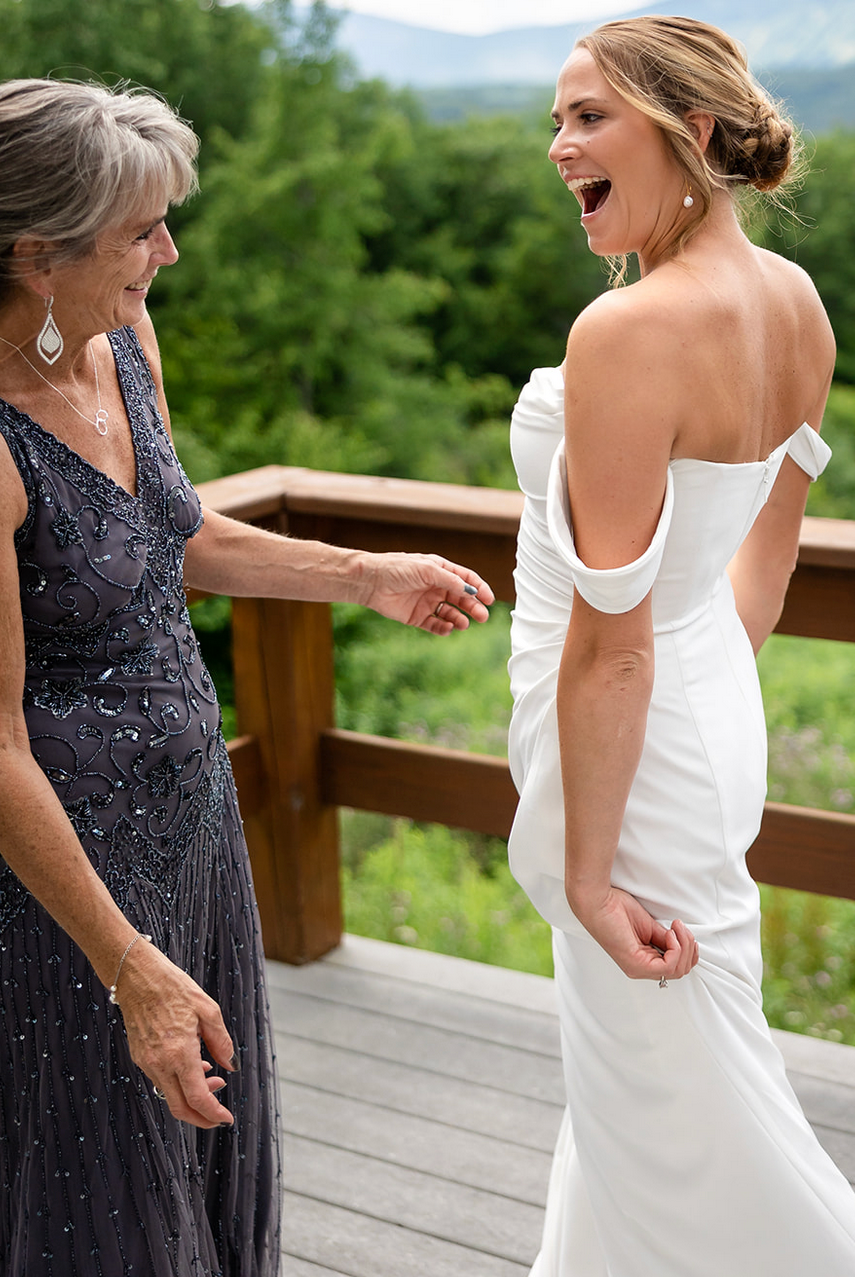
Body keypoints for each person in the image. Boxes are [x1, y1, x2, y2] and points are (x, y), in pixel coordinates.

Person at [0, 78, 494, 1277]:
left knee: (207, 1156)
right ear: (34, 253)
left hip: (194, 823)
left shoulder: (122, 341)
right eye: (141, 232)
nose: (168, 251)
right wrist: (128, 966)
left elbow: (172, 530)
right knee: (97, 1190)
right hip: (69, 887)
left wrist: (361, 575)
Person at [506, 17, 855, 1276]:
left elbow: (609, 650)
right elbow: (761, 572)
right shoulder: (794, 303)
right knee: (655, 1079)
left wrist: (583, 874)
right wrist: (697, 686)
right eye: (556, 119)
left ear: (700, 134)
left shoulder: (624, 333)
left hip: (627, 743)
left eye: (587, 118)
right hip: (702, 709)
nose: (557, 145)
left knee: (689, 1094)